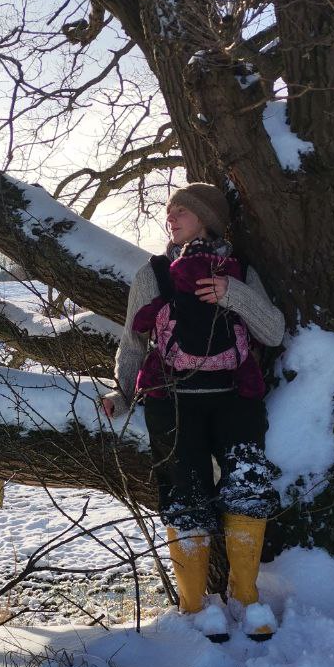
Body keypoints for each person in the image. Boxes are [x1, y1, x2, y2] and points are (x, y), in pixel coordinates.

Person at [102, 184, 285, 641]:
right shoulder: (154, 273)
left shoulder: (240, 271)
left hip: (235, 397)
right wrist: (122, 393)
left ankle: (246, 596)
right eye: (169, 211)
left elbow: (274, 332)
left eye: (181, 210)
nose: (171, 217)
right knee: (184, 497)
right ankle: (194, 605)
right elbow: (133, 342)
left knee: (248, 486)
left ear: (206, 217)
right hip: (172, 401)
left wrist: (232, 293)